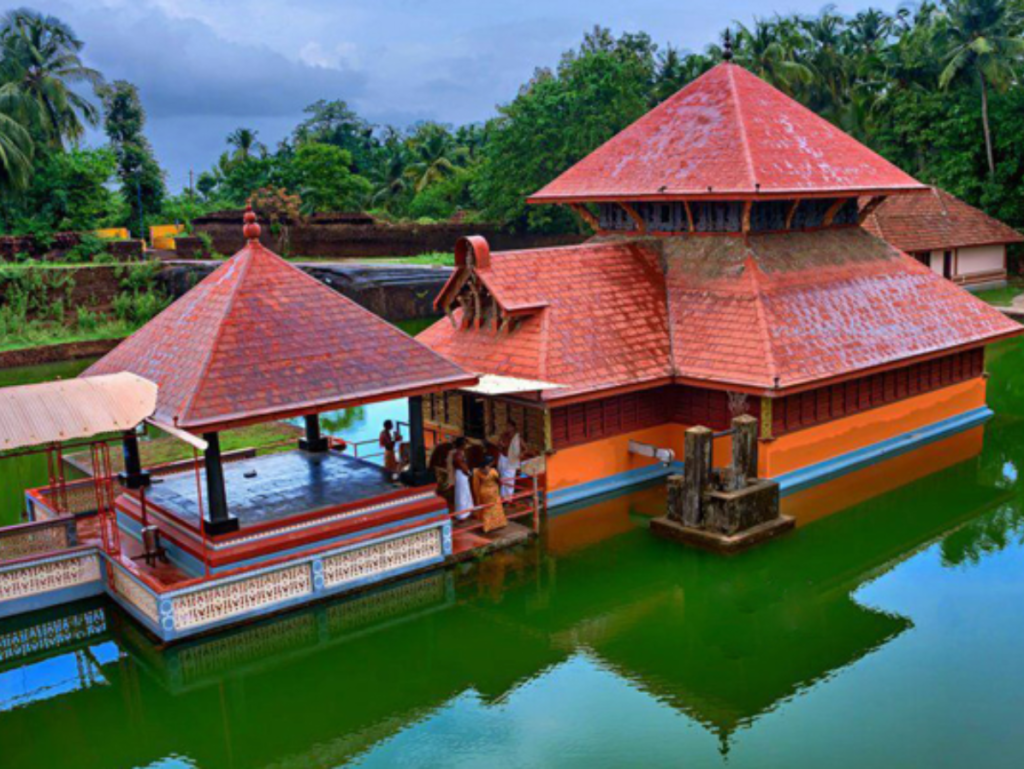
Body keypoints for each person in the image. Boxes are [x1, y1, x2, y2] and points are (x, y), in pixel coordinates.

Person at [471, 455, 507, 533]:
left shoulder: (477, 471)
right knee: (495, 507)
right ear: (490, 463)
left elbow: (476, 484)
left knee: (486, 509)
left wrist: (477, 495)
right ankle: (496, 524)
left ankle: (486, 526)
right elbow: (499, 481)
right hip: (493, 491)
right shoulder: (493, 471)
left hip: (483, 491)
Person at [449, 437, 473, 520]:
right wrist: (468, 472)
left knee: (465, 492)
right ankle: (461, 515)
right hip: (461, 474)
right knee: (462, 493)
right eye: (465, 444)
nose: (466, 446)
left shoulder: (461, 453)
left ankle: (466, 511)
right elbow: (461, 465)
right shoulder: (458, 454)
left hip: (463, 474)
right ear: (461, 445)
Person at [498, 420, 522, 499]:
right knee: (502, 478)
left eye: (509, 427)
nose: (507, 428)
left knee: (509, 480)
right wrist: (501, 446)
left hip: (511, 460)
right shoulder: (503, 435)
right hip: (503, 458)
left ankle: (508, 498)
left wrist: (520, 455)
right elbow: (499, 445)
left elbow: (525, 448)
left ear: (513, 428)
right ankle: (502, 497)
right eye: (506, 426)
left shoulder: (517, 437)